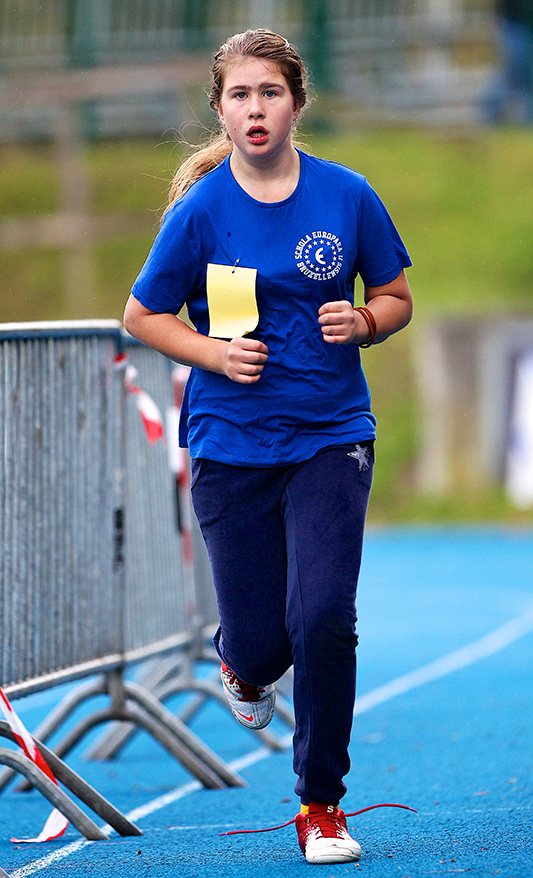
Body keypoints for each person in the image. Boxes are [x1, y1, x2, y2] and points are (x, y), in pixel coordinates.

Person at [124, 28, 413, 865]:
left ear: (296, 103)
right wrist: (213, 354)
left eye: (270, 93)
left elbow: (394, 295)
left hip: (329, 435)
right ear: (220, 110)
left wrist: (364, 321)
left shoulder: (346, 195)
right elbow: (142, 315)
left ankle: (320, 805)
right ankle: (241, 665)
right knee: (262, 642)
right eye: (240, 95)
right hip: (231, 443)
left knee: (322, 618)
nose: (255, 109)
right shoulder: (201, 211)